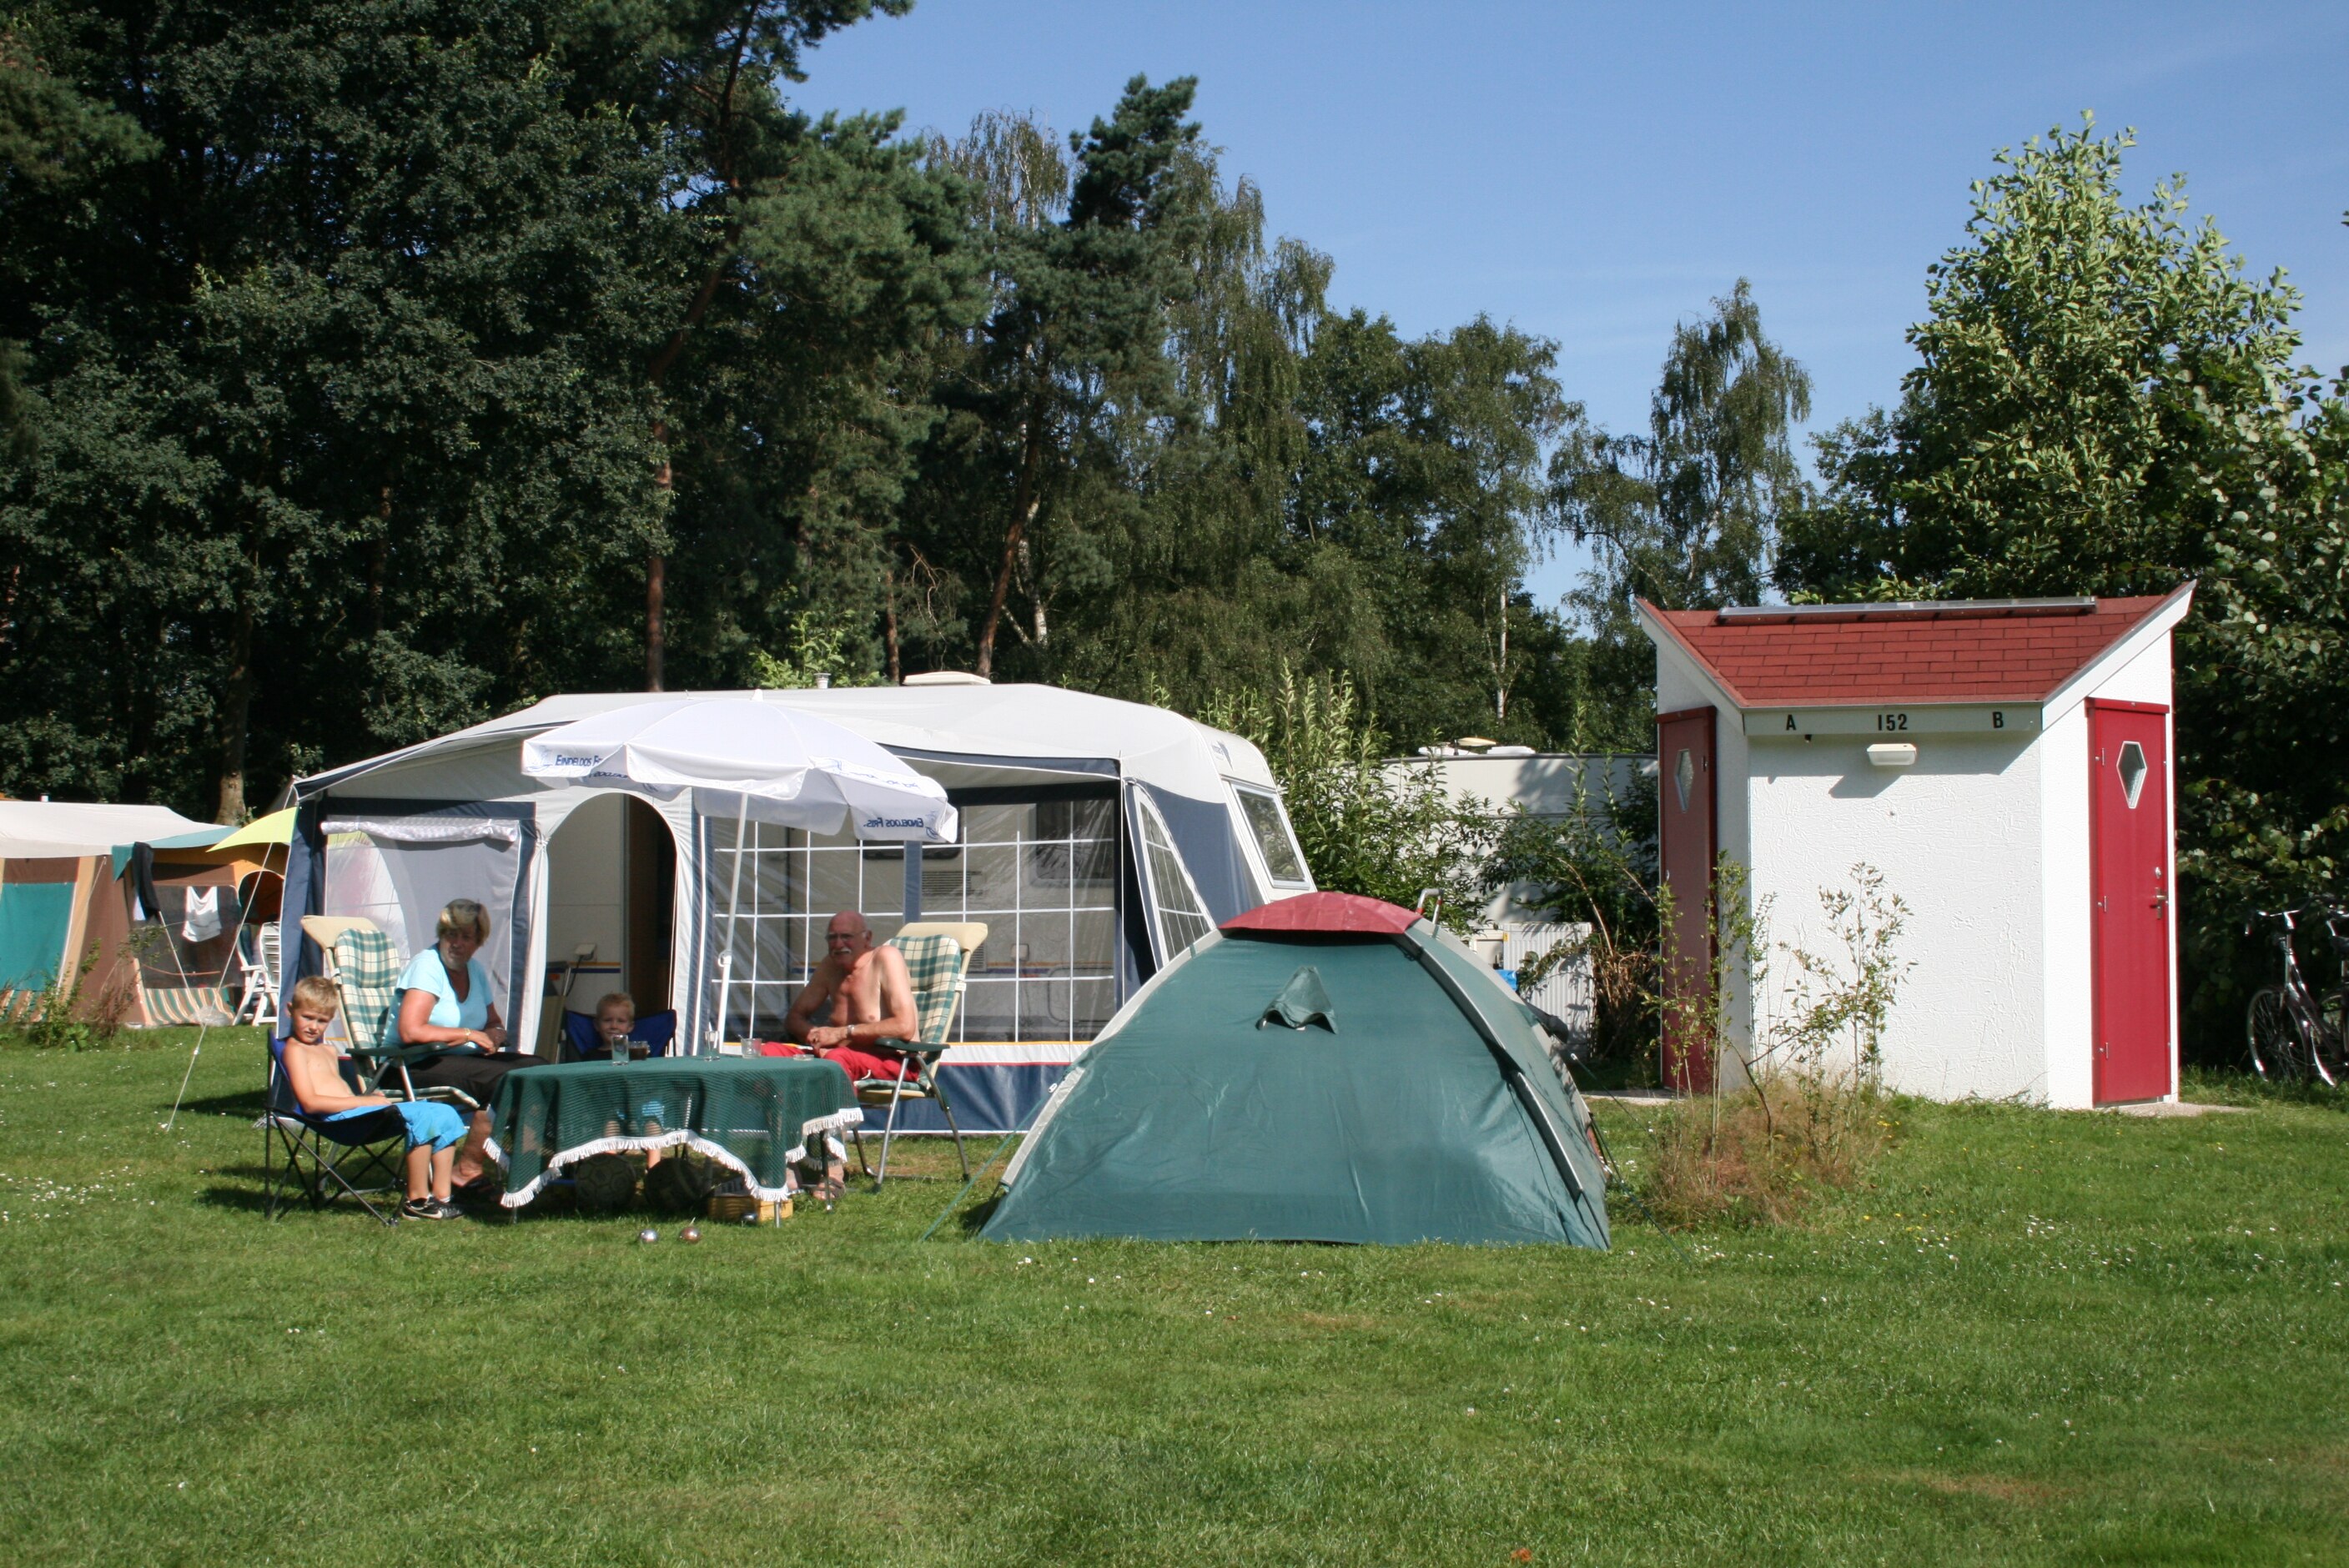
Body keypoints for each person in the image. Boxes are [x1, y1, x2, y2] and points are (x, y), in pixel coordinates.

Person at [280, 975, 469, 1220]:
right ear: (290, 1011)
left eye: (322, 1020)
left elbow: (337, 1092)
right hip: (338, 1122)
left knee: (444, 1112)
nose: (313, 1026)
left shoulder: (326, 1050)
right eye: (307, 1017)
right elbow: (310, 1102)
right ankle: (417, 1201)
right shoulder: (295, 1050)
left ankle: (442, 1198)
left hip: (353, 1114)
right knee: (422, 1116)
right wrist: (364, 1101)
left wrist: (365, 1098)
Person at [394, 898, 534, 1185]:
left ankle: (533, 1162)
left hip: (461, 1059)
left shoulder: (475, 971)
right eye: (450, 934)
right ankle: (467, 1169)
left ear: (478, 941)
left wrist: (495, 1035)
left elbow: (493, 1022)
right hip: (413, 1063)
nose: (456, 943)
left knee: (536, 1069)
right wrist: (468, 1034)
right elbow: (410, 1031)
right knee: (506, 1078)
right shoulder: (427, 967)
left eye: (466, 936)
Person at [782, 911, 922, 1081]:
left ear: (867, 938)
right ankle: (778, 1108)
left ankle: (843, 1108)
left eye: (846, 936)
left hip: (894, 1061)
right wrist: (817, 1037)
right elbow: (794, 1018)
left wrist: (842, 1034)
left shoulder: (885, 957)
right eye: (832, 938)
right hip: (836, 1055)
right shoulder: (830, 965)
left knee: (835, 1060)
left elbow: (905, 1027)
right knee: (770, 1053)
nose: (839, 944)